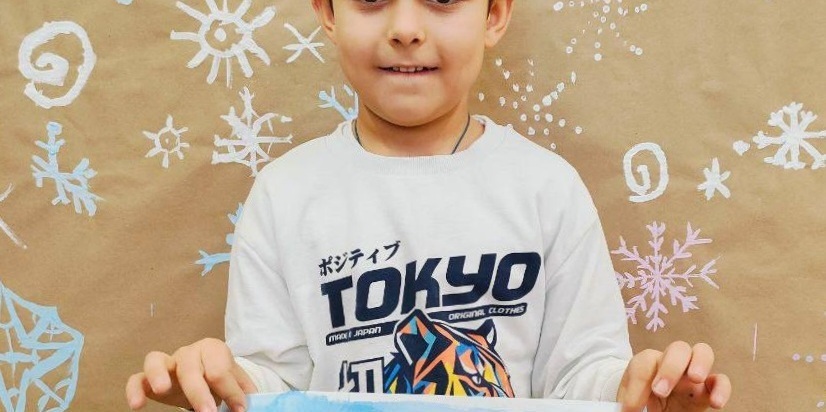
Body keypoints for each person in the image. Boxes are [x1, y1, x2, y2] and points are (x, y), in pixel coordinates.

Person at [125, 1, 732, 411]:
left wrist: (640, 393)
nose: (406, 27)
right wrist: (220, 382)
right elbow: (276, 385)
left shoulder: (547, 188)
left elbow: (579, 378)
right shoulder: (285, 194)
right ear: (327, 12)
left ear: (495, 13)